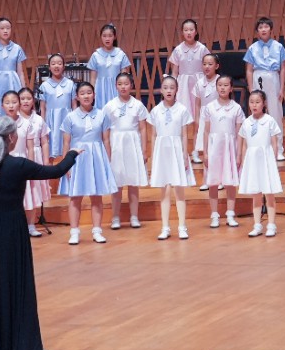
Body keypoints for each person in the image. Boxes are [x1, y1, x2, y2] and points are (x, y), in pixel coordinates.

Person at [0, 116, 77, 350]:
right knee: (15, 281)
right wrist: (72, 154)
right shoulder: (18, 165)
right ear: (11, 137)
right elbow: (56, 171)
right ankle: (18, 344)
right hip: (12, 227)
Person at [58, 82, 115, 244]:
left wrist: (107, 162)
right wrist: (66, 164)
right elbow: (66, 143)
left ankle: (97, 231)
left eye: (89, 92)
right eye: (82, 93)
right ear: (77, 96)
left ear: (94, 95)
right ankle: (74, 232)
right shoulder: (70, 117)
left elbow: (106, 140)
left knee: (96, 196)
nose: (86, 96)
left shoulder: (102, 115)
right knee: (75, 197)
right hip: (77, 159)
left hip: (97, 158)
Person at [148, 75, 195, 239]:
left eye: (172, 88)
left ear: (177, 90)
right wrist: (153, 156)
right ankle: (165, 227)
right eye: (165, 87)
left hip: (177, 151)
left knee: (179, 189)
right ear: (161, 90)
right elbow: (153, 135)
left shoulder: (182, 110)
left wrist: (185, 154)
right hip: (162, 152)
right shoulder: (155, 111)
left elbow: (184, 134)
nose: (169, 91)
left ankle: (182, 226)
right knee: (165, 190)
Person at [104, 71, 150, 229]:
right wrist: (107, 152)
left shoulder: (138, 105)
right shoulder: (110, 106)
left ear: (131, 85)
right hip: (116, 145)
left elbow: (143, 128)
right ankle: (115, 217)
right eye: (120, 84)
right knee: (117, 184)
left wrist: (144, 149)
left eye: (126, 84)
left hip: (133, 145)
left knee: (133, 182)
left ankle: (134, 216)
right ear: (116, 86)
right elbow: (105, 131)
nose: (123, 87)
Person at [237, 89, 282, 237]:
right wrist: (244, 161)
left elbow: (274, 142)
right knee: (256, 193)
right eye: (251, 102)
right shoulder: (246, 122)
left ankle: (271, 224)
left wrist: (273, 160)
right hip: (252, 160)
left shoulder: (269, 120)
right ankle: (257, 225)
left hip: (266, 159)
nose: (254, 105)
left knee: (269, 193)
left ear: (264, 104)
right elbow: (244, 144)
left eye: (257, 102)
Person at [203, 75, 244, 226]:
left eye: (226, 85)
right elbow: (206, 131)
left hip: (230, 148)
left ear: (231, 88)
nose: (222, 88)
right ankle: (214, 215)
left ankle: (230, 214)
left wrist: (239, 154)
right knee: (213, 182)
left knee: (230, 182)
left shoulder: (236, 108)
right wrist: (205, 152)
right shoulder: (210, 107)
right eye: (220, 85)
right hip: (214, 148)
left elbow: (240, 134)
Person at [12, 88, 50, 236]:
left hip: (36, 156)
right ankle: (18, 225)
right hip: (18, 155)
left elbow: (44, 142)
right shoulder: (14, 119)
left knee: (33, 192)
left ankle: (31, 225)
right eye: (22, 99)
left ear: (33, 101)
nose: (25, 101)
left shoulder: (39, 119)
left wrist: (45, 161)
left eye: (29, 98)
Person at [242, 16, 285, 126]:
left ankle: (277, 136)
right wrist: (251, 88)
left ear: (271, 29)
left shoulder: (278, 46)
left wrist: (281, 88)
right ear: (257, 31)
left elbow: (283, 68)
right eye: (260, 27)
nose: (263, 29)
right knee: (257, 107)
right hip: (258, 76)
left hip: (273, 77)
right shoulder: (252, 48)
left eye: (266, 27)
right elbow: (249, 70)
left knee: (275, 108)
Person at [0, 18, 27, 118]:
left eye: (8, 28)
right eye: (2, 28)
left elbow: (20, 73)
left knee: (15, 114)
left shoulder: (17, 48)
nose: (5, 31)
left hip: (14, 84)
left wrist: (24, 91)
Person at [37, 53, 76, 157]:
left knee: (67, 147)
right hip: (51, 120)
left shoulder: (70, 84)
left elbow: (74, 105)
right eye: (53, 64)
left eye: (59, 63)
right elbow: (42, 108)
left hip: (67, 117)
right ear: (49, 67)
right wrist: (42, 125)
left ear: (63, 66)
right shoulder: (44, 86)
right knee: (51, 148)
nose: (56, 66)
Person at [88, 23, 131, 101]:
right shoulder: (96, 55)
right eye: (104, 36)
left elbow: (124, 77)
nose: (107, 39)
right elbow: (93, 78)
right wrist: (91, 93)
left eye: (110, 36)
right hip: (100, 90)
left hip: (116, 88)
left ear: (114, 37)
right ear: (101, 37)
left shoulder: (120, 54)